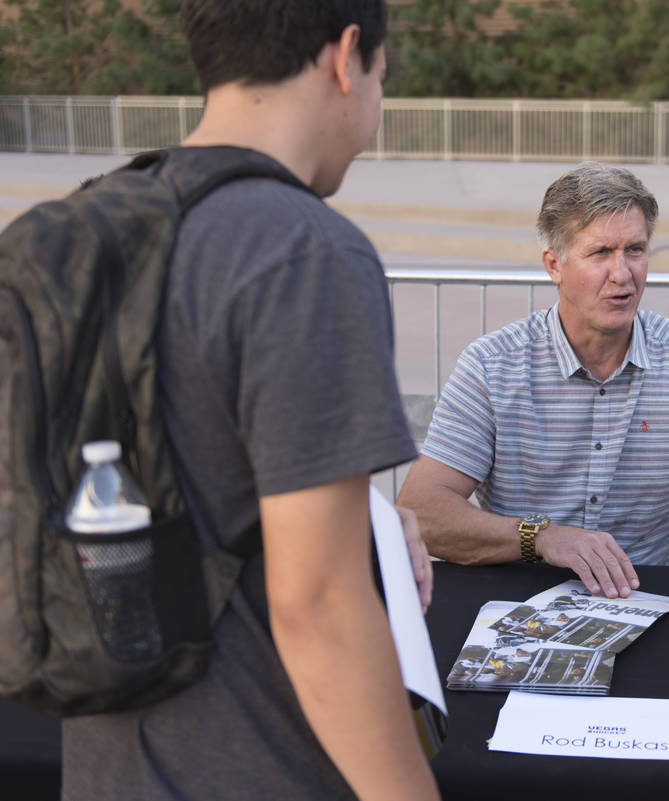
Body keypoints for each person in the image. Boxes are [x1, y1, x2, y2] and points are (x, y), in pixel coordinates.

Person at [61, 3, 440, 800]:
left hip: (105, 765)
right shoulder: (303, 249)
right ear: (345, 58)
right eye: (381, 77)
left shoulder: (80, 230)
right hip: (257, 763)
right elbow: (318, 606)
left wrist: (367, 513)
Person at [398, 162, 669, 597]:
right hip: (516, 601)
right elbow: (420, 512)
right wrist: (541, 537)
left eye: (635, 249)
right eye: (600, 253)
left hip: (644, 598)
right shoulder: (492, 366)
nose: (622, 273)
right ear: (554, 265)